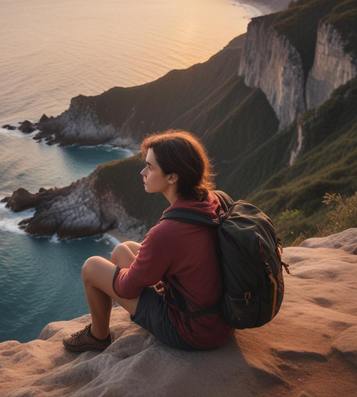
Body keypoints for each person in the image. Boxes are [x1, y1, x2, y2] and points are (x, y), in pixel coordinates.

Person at [62, 128, 234, 352]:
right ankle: (106, 325)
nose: (142, 172)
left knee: (92, 267)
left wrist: (125, 277)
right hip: (220, 321)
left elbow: (126, 290)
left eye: (150, 167)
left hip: (192, 331)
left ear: (172, 177)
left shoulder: (167, 232)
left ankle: (98, 336)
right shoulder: (213, 201)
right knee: (123, 250)